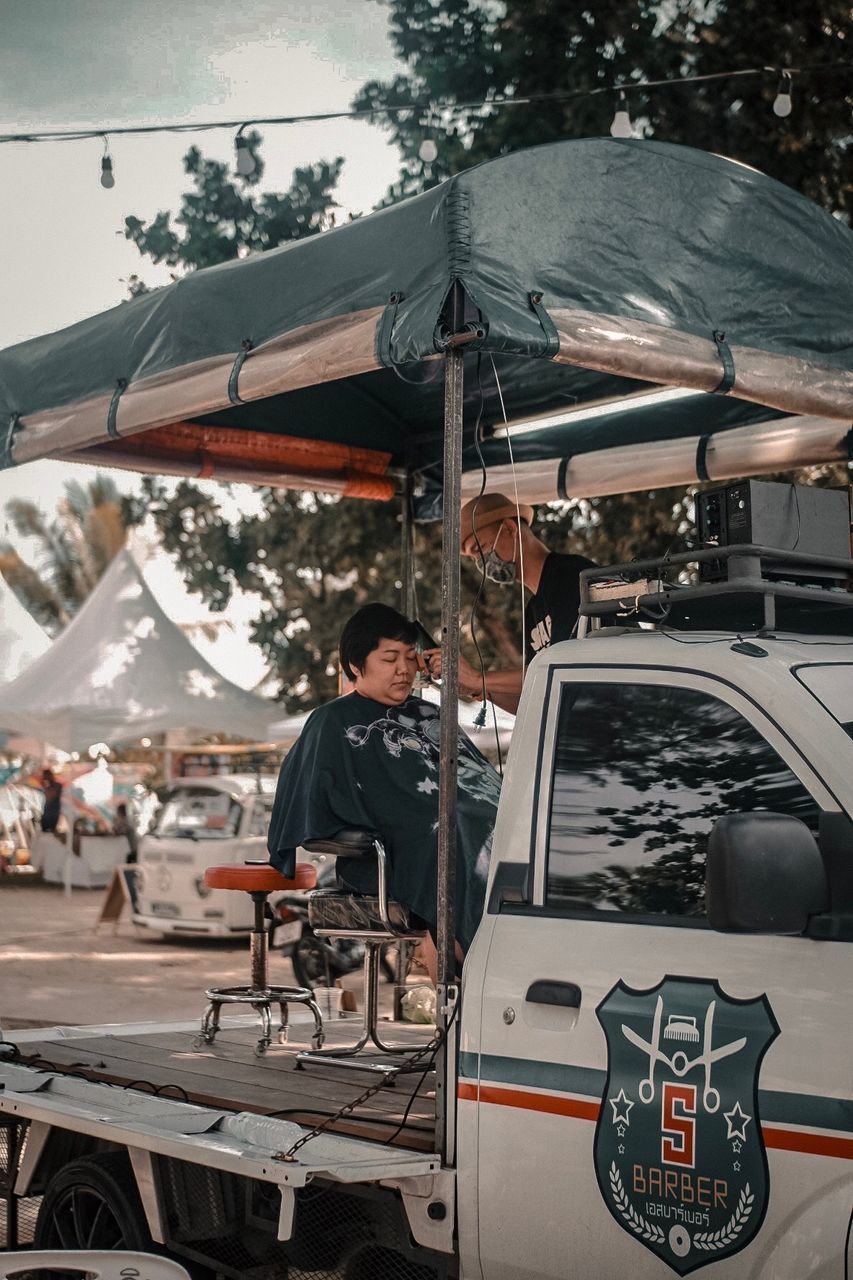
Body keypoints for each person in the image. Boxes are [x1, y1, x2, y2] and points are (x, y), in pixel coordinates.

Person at [267, 603, 501, 976]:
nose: (403, 669)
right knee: (454, 824)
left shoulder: (431, 714)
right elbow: (312, 799)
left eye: (410, 658)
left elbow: (483, 783)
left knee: (500, 819)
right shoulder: (331, 721)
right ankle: (453, 964)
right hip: (389, 855)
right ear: (357, 665)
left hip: (464, 832)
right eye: (389, 658)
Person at [425, 492, 595, 714]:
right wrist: (482, 689)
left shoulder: (570, 576)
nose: (480, 563)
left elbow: (565, 670)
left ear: (509, 529)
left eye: (480, 549)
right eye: (473, 558)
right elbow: (536, 691)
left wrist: (478, 677)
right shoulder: (533, 611)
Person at [39, 768, 63, 833]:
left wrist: (46, 787)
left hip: (53, 813)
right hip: (47, 813)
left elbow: (51, 796)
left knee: (50, 830)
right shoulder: (45, 786)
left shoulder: (58, 786)